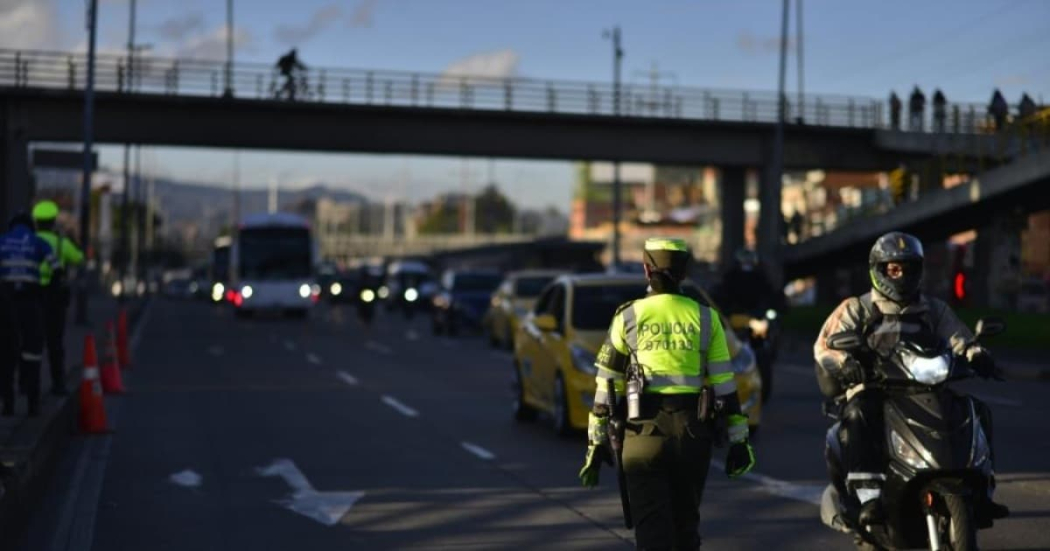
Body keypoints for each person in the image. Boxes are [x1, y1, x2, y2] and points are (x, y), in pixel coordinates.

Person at [813, 231, 1009, 525]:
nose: (901, 275)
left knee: (976, 410)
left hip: (926, 388)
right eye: (893, 268)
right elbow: (824, 346)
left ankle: (983, 489)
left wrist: (977, 354)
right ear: (878, 270)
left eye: (908, 268)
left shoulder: (933, 309)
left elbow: (960, 338)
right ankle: (869, 496)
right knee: (859, 413)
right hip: (875, 388)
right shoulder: (858, 307)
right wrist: (846, 363)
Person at [579, 237, 755, 550]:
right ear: (684, 273)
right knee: (686, 525)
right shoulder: (705, 317)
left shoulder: (628, 316)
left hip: (641, 433)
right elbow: (726, 385)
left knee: (651, 531)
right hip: (692, 433)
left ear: (647, 269)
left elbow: (607, 385)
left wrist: (596, 442)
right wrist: (739, 440)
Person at [0, 212, 57, 416]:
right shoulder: (38, 242)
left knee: (6, 355)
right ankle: (33, 405)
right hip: (31, 303)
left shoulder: (3, 241)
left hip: (5, 305)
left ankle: (8, 405)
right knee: (32, 353)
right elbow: (56, 268)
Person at [32, 200, 85, 396]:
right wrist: (71, 237)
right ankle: (58, 383)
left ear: (36, 221)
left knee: (30, 343)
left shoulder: (30, 240)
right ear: (54, 221)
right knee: (55, 343)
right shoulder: (61, 243)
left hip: (32, 296)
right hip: (54, 299)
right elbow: (80, 258)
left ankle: (27, 385)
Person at [717, 248, 784, 316]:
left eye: (748, 260)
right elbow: (726, 296)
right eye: (744, 260)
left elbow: (767, 295)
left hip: (758, 313)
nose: (746, 262)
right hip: (736, 315)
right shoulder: (731, 277)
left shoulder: (760, 277)